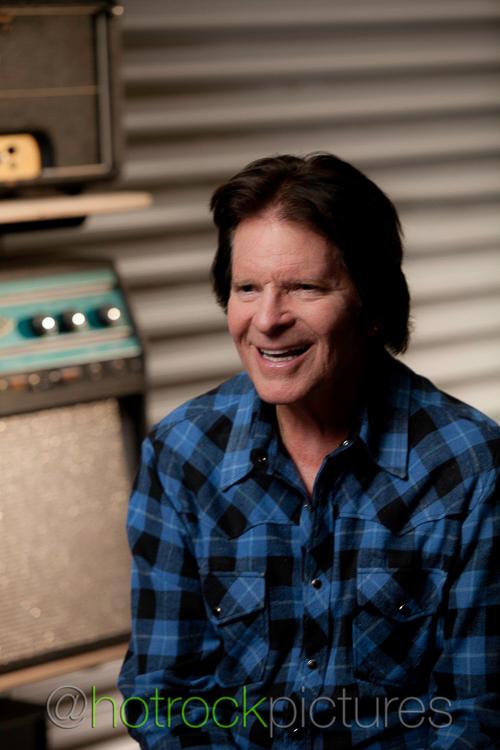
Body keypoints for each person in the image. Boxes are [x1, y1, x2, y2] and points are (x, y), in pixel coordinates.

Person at [118, 154, 500, 749]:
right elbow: (164, 694)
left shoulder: (471, 468)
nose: (267, 319)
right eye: (247, 288)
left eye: (304, 287)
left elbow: (476, 717)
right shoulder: (182, 454)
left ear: (372, 306)